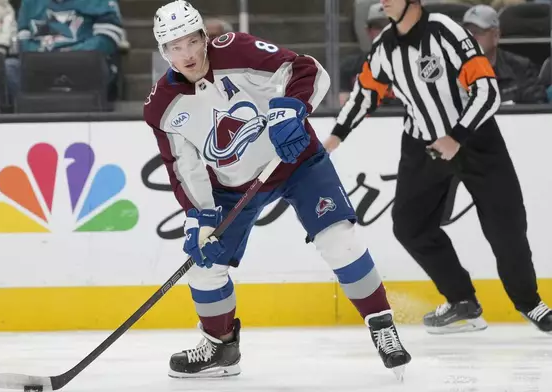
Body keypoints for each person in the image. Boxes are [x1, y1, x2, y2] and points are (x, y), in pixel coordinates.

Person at [144, 0, 411, 380]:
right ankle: (221, 348)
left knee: (341, 240)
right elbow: (183, 167)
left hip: (297, 161)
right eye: (174, 46)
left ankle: (382, 325)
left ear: (205, 37)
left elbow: (306, 70)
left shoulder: (237, 49)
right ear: (162, 51)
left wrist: (289, 112)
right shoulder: (161, 108)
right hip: (233, 189)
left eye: (191, 41)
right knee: (204, 270)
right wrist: (200, 217)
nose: (185, 54)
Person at [324, 0, 552, 335]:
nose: (383, 1)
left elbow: (487, 91)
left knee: (506, 225)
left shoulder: (446, 31)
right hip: (423, 146)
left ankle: (529, 302)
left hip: (475, 138)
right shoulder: (385, 45)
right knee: (410, 226)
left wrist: (456, 136)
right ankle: (462, 301)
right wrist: (333, 139)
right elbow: (364, 95)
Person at [461, 4, 547, 104]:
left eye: (477, 32)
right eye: (466, 32)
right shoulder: (451, 68)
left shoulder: (521, 69)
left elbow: (538, 111)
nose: (470, 37)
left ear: (496, 36)